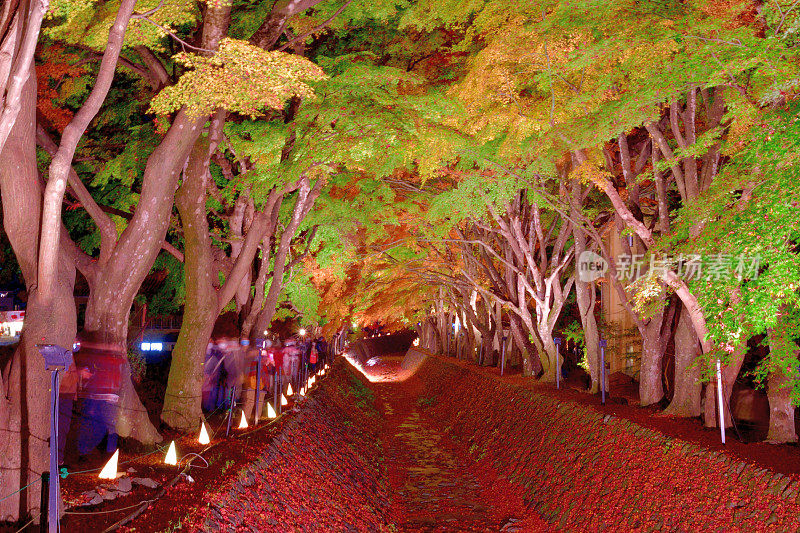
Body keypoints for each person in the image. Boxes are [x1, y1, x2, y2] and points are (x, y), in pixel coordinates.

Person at [73, 332, 124, 458]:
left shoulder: (114, 358)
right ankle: (86, 451)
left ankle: (108, 452)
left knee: (108, 425)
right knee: (93, 424)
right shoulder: (95, 355)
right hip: (95, 395)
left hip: (107, 396)